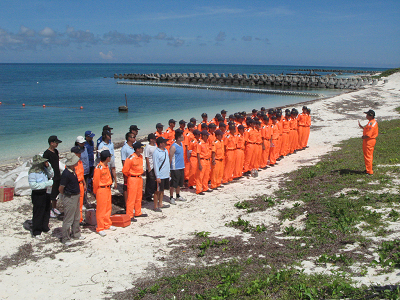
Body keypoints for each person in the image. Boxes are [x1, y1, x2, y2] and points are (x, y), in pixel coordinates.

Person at [59, 152, 84, 246]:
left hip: (76, 195)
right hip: (70, 197)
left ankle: (76, 234)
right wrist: (66, 195)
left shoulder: (72, 172)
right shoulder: (66, 173)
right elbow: (61, 188)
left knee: (77, 217)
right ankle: (65, 238)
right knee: (68, 218)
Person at [28, 155, 54, 239]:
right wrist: (46, 184)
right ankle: (37, 231)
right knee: (38, 211)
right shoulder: (32, 173)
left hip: (46, 192)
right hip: (38, 193)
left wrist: (48, 166)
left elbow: (51, 174)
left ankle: (45, 227)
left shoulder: (44, 169)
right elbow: (33, 185)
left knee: (47, 209)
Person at [93, 149, 117, 236]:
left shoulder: (106, 166)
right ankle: (100, 227)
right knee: (101, 209)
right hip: (101, 189)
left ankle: (107, 224)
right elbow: (95, 181)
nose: (111, 158)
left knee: (107, 207)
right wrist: (96, 191)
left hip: (107, 188)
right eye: (110, 157)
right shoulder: (99, 168)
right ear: (107, 158)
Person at [122, 142, 147, 220]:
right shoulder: (130, 158)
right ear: (137, 149)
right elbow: (125, 170)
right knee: (131, 197)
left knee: (139, 196)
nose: (142, 149)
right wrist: (130, 176)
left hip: (139, 178)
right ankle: (129, 214)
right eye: (141, 148)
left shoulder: (140, 157)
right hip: (132, 178)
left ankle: (138, 212)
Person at [43, 135, 62, 218]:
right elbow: (45, 165)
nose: (57, 144)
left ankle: (54, 207)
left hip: (57, 174)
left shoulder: (56, 151)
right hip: (51, 176)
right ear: (51, 143)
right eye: (56, 142)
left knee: (56, 193)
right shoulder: (46, 154)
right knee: (51, 193)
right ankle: (49, 209)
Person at [153, 137, 171, 212]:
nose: (166, 143)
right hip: (160, 174)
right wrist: (157, 176)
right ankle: (155, 206)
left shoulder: (166, 150)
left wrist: (169, 172)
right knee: (157, 191)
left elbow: (167, 162)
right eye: (164, 142)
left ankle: (160, 203)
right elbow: (156, 165)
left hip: (166, 174)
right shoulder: (156, 152)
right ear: (160, 144)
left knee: (162, 190)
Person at [358, 110, 379, 175]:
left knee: (368, 156)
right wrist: (363, 128)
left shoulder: (371, 124)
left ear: (371, 115)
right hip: (369, 141)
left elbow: (368, 134)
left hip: (369, 141)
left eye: (367, 115)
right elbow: (368, 129)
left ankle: (369, 171)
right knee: (368, 155)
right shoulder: (372, 122)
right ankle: (368, 169)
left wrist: (363, 137)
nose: (366, 116)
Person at [169, 130, 186, 204]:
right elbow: (170, 158)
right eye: (182, 136)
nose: (183, 137)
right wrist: (169, 169)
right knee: (173, 183)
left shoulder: (181, 144)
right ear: (178, 138)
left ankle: (178, 195)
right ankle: (171, 197)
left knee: (179, 183)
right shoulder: (173, 146)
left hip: (181, 166)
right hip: (175, 168)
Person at [70, 146, 87, 224]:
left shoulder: (80, 162)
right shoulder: (70, 164)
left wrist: (84, 183)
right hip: (74, 185)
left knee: (80, 203)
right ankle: (75, 219)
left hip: (81, 184)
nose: (80, 154)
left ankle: (80, 219)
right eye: (79, 153)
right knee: (75, 204)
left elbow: (82, 174)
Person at [121, 132, 136, 204]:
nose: (135, 138)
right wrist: (126, 172)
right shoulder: (125, 148)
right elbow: (123, 161)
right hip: (128, 171)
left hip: (134, 170)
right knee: (126, 187)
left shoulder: (134, 147)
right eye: (133, 137)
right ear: (129, 138)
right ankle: (126, 203)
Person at [196, 130, 213, 194]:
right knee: (200, 176)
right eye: (206, 136)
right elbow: (198, 153)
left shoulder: (207, 142)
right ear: (203, 136)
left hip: (207, 160)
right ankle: (198, 190)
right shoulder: (199, 143)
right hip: (202, 160)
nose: (208, 137)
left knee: (206, 175)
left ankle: (205, 188)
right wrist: (199, 164)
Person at [144, 133, 157, 202]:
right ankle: (148, 195)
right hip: (150, 166)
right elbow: (146, 157)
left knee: (154, 181)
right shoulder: (147, 147)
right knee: (150, 181)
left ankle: (152, 193)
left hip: (155, 165)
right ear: (151, 139)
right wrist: (149, 167)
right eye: (154, 138)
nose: (155, 139)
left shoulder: (155, 145)